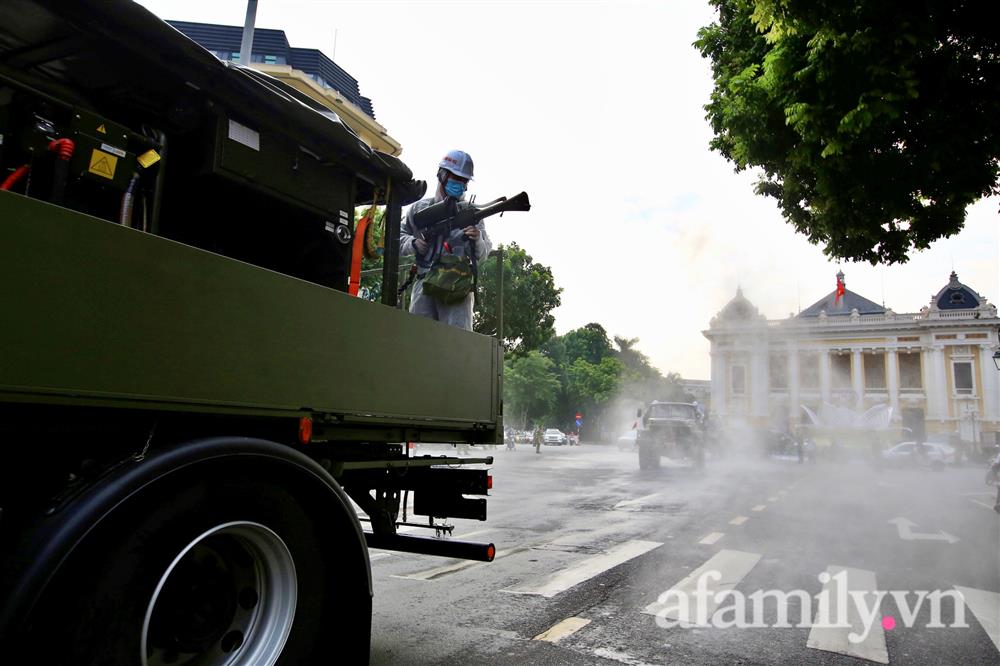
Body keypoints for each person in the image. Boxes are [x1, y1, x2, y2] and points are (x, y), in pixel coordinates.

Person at [399, 150, 492, 330]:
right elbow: (397, 237)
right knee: (419, 342)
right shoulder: (419, 209)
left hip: (456, 288)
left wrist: (478, 239)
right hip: (424, 284)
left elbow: (484, 252)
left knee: (457, 346)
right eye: (455, 177)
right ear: (442, 175)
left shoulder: (471, 212)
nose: (460, 183)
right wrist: (413, 243)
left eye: (463, 180)